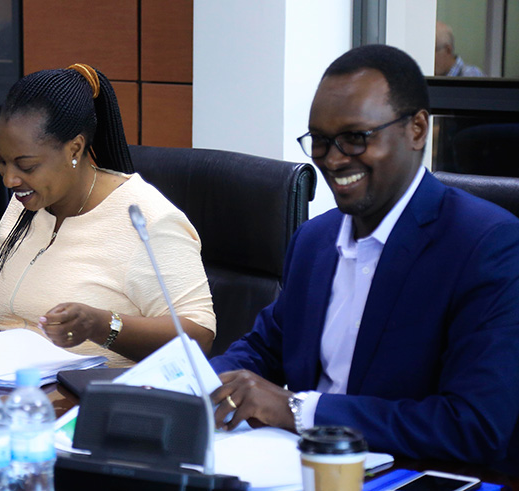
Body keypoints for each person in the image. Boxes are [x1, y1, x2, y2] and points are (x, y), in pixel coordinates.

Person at [208, 44, 519, 469]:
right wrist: (195, 384)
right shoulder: (314, 240)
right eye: (320, 141)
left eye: (356, 138)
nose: (334, 160)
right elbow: (264, 347)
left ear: (417, 130)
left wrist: (301, 412)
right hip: (289, 468)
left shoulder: (487, 246)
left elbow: (473, 427)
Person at [0, 63, 216, 365]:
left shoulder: (146, 220)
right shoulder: (25, 203)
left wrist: (102, 325)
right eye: (2, 161)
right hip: (8, 390)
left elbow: (199, 338)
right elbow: (10, 290)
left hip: (91, 402)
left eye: (26, 166)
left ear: (75, 149)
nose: (9, 179)